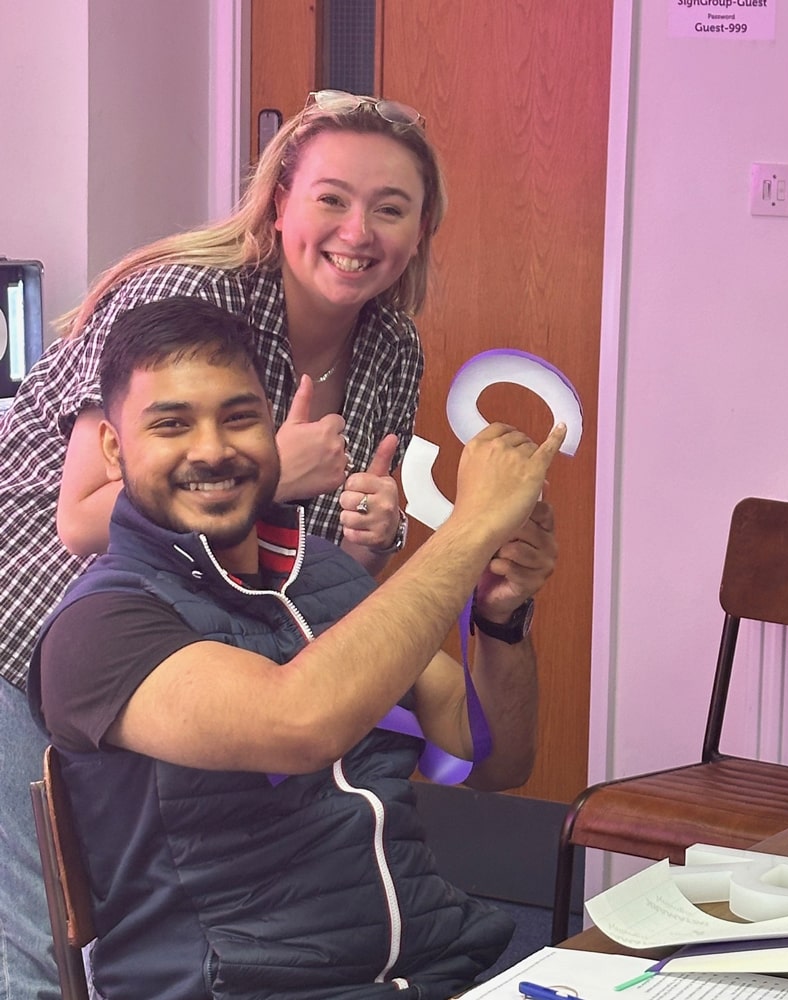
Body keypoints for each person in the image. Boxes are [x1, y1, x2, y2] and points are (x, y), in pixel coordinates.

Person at [0, 91, 445, 997]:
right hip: (38, 616)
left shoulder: (393, 346)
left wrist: (373, 532)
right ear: (278, 202)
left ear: (420, 231)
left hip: (200, 642)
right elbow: (82, 517)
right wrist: (275, 469)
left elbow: (300, 562)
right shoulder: (185, 296)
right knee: (47, 943)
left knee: (196, 916)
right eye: (331, 198)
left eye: (390, 208)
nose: (358, 232)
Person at [29, 295, 566, 1000]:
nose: (212, 449)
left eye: (239, 417)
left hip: (435, 971)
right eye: (171, 424)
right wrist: (472, 528)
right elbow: (299, 724)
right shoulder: (99, 625)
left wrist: (500, 618)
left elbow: (490, 758)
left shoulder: (325, 574)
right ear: (112, 448)